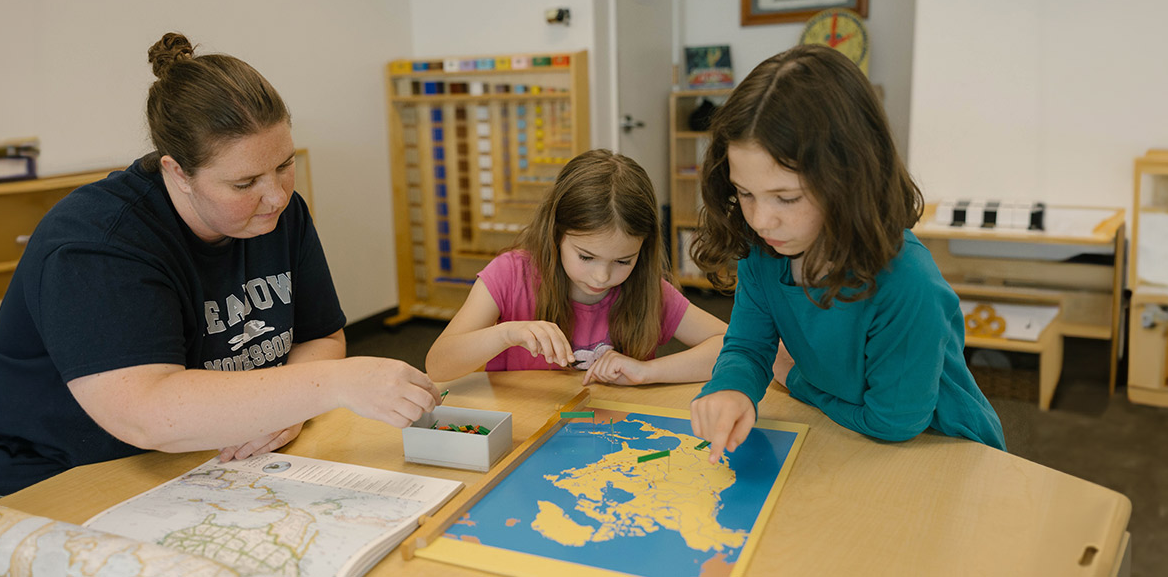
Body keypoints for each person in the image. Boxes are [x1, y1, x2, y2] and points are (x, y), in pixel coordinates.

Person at [0, 33, 438, 500]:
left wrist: (291, 409)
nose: (277, 196)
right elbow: (148, 412)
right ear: (176, 173)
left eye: (285, 164)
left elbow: (319, 337)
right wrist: (332, 386)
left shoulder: (280, 214)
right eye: (244, 184)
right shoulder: (97, 243)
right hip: (44, 471)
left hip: (193, 455)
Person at [687, 44, 1007, 461]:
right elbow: (748, 346)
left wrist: (795, 378)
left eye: (786, 198)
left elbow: (893, 423)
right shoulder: (764, 250)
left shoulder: (907, 281)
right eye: (745, 193)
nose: (762, 220)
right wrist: (730, 388)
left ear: (849, 179)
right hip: (854, 434)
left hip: (945, 447)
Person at [425, 149, 726, 386]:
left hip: (614, 439)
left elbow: (736, 347)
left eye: (623, 261)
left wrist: (647, 371)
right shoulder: (511, 274)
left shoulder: (648, 289)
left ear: (643, 250)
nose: (602, 276)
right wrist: (506, 334)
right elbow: (438, 365)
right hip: (528, 435)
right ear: (555, 234)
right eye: (585, 257)